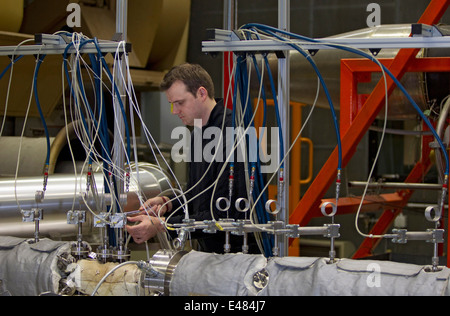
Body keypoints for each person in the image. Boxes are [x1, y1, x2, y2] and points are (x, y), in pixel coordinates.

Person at [126, 63, 260, 254]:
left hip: (239, 255)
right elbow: (198, 195)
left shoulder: (235, 134)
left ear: (202, 93)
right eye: (172, 104)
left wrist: (163, 225)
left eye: (180, 102)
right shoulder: (199, 133)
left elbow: (227, 213)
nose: (174, 111)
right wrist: (167, 203)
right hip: (211, 251)